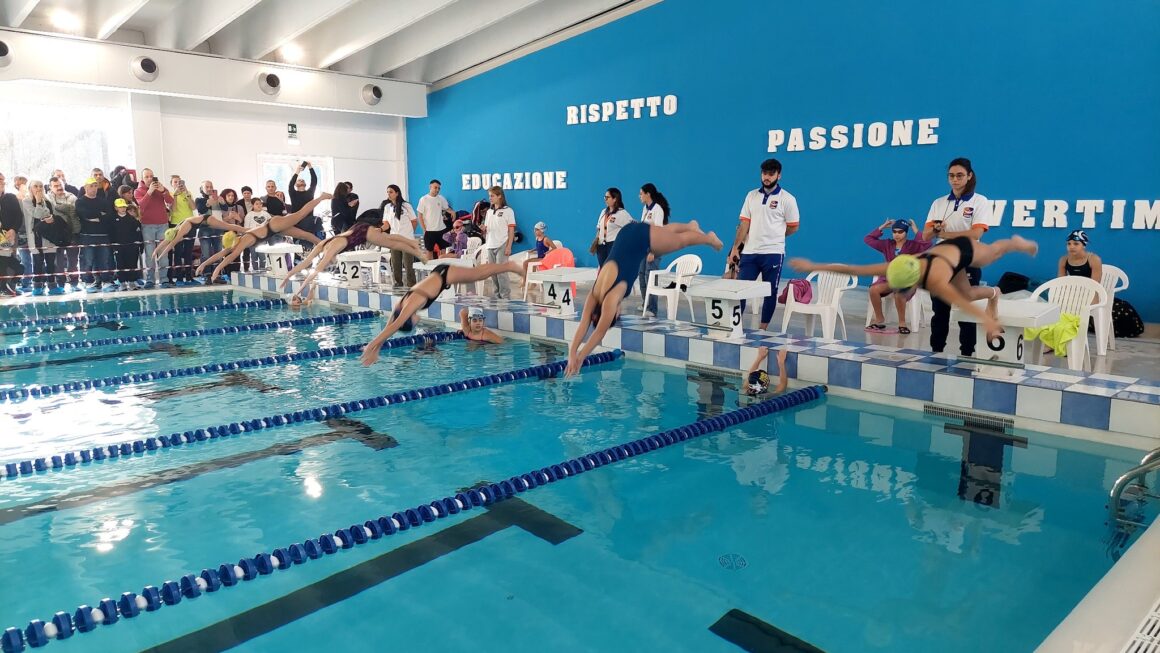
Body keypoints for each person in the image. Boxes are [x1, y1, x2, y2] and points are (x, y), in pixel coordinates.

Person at [788, 234, 1040, 342]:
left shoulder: (935, 280)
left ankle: (1015, 243)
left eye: (902, 290)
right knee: (970, 294)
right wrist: (813, 264)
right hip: (946, 257)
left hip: (964, 249)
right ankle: (994, 293)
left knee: (993, 254)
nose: (900, 293)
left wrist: (987, 321)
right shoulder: (893, 266)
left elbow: (960, 304)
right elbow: (854, 269)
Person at [566, 221, 724, 377]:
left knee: (681, 241)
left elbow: (599, 332)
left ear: (611, 314)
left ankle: (709, 238)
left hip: (640, 238)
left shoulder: (610, 300)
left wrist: (580, 358)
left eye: (616, 315)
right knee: (664, 234)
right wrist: (572, 353)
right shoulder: (594, 295)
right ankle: (690, 226)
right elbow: (584, 323)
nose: (618, 312)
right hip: (626, 233)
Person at [359, 260, 525, 366]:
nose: (418, 320)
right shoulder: (401, 306)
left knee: (478, 274)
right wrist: (376, 348)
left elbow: (394, 326)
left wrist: (371, 346)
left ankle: (509, 266)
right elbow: (391, 322)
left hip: (445, 275)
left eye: (414, 322)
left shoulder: (410, 305)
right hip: (438, 275)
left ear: (408, 319)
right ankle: (502, 266)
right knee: (478, 274)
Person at [922, 157, 992, 356]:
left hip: (967, 260)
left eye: (960, 175)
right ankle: (936, 353)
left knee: (966, 311)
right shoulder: (939, 202)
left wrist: (943, 234)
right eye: (951, 176)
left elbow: (976, 234)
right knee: (939, 311)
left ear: (969, 176)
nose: (955, 179)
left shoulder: (980, 201)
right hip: (940, 262)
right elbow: (926, 235)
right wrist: (935, 229)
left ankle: (967, 355)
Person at [278, 215, 429, 301]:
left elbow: (315, 271)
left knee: (391, 243)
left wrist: (299, 291)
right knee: (389, 239)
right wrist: (287, 276)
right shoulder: (322, 245)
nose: (330, 263)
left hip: (362, 232)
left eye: (330, 261)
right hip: (356, 229)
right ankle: (412, 243)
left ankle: (414, 248)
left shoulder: (330, 249)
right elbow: (305, 263)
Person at [726, 158, 801, 330]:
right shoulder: (751, 196)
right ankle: (735, 328)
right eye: (764, 173)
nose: (766, 177)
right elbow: (744, 224)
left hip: (773, 253)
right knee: (741, 290)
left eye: (771, 174)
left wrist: (775, 237)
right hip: (750, 252)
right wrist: (735, 249)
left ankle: (762, 330)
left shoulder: (787, 199)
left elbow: (793, 227)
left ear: (778, 175)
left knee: (770, 293)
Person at [194, 195, 331, 281]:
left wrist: (217, 270)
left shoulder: (243, 240)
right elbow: (221, 254)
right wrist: (203, 264)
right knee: (305, 235)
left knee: (301, 214)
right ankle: (328, 247)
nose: (230, 249)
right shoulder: (237, 241)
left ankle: (320, 197)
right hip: (273, 230)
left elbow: (230, 257)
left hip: (274, 225)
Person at [863, 219, 932, 334]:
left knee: (900, 293)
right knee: (873, 289)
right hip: (889, 279)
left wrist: (916, 230)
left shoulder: (913, 245)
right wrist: (882, 227)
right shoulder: (887, 244)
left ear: (906, 232)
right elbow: (868, 239)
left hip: (907, 280)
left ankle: (902, 323)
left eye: (900, 232)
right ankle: (879, 319)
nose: (897, 234)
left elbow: (927, 244)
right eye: (894, 232)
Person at [22, 180, 66, 295]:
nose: (38, 188)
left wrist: (49, 217)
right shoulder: (26, 201)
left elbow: (50, 214)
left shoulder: (48, 200)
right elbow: (37, 214)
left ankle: (52, 285)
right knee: (38, 263)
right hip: (35, 237)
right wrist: (38, 202)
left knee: (51, 262)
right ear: (30, 188)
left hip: (49, 236)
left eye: (41, 186)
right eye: (35, 186)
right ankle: (37, 286)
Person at [135, 169, 173, 288]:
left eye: (152, 176)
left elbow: (170, 202)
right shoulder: (138, 191)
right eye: (147, 176)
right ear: (142, 178)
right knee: (150, 254)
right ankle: (150, 279)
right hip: (147, 226)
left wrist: (163, 192)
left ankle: (164, 279)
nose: (150, 178)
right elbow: (141, 206)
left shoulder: (160, 188)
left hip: (163, 225)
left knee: (163, 254)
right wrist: (149, 192)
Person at [637, 183, 670, 317]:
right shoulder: (645, 209)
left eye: (641, 193)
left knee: (651, 277)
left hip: (654, 247)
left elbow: (658, 232)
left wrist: (653, 251)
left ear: (648, 194)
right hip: (643, 247)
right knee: (641, 275)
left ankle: (652, 308)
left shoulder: (658, 209)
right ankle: (646, 303)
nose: (639, 196)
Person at [481, 185, 516, 299]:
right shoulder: (489, 212)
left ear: (499, 196)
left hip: (502, 244)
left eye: (492, 196)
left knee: (501, 272)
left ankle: (505, 297)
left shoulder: (508, 211)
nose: (490, 198)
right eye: (489, 196)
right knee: (493, 273)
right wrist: (483, 229)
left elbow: (511, 230)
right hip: (490, 244)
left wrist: (509, 246)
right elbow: (487, 229)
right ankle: (497, 297)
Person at [380, 184, 419, 286]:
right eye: (387, 192)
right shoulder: (387, 207)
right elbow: (386, 224)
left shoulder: (406, 206)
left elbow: (414, 221)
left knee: (408, 264)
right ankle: (398, 283)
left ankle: (411, 284)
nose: (389, 194)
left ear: (397, 193)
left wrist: (410, 233)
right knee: (395, 263)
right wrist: (380, 229)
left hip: (406, 239)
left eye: (391, 192)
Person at [590, 188, 633, 268]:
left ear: (614, 199)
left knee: (612, 270)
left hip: (613, 245)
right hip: (601, 246)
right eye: (604, 197)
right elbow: (599, 228)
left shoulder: (622, 213)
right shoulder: (603, 212)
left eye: (607, 197)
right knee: (603, 269)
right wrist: (596, 242)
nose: (605, 199)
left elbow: (631, 229)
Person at [110, 198, 143, 289]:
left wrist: (139, 245)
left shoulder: (132, 219)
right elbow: (111, 233)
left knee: (132, 263)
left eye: (124, 207)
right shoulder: (112, 219)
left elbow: (138, 232)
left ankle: (132, 281)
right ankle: (122, 282)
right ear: (116, 208)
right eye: (120, 207)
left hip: (131, 246)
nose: (123, 209)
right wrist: (113, 245)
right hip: (119, 246)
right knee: (120, 264)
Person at [417, 179, 453, 256]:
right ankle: (431, 268)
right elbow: (419, 215)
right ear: (430, 187)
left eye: (439, 188)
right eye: (435, 187)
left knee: (443, 253)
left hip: (441, 229)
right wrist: (424, 229)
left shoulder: (441, 198)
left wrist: (453, 212)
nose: (437, 190)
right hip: (429, 231)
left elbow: (447, 208)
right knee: (429, 253)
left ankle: (443, 268)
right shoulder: (423, 199)